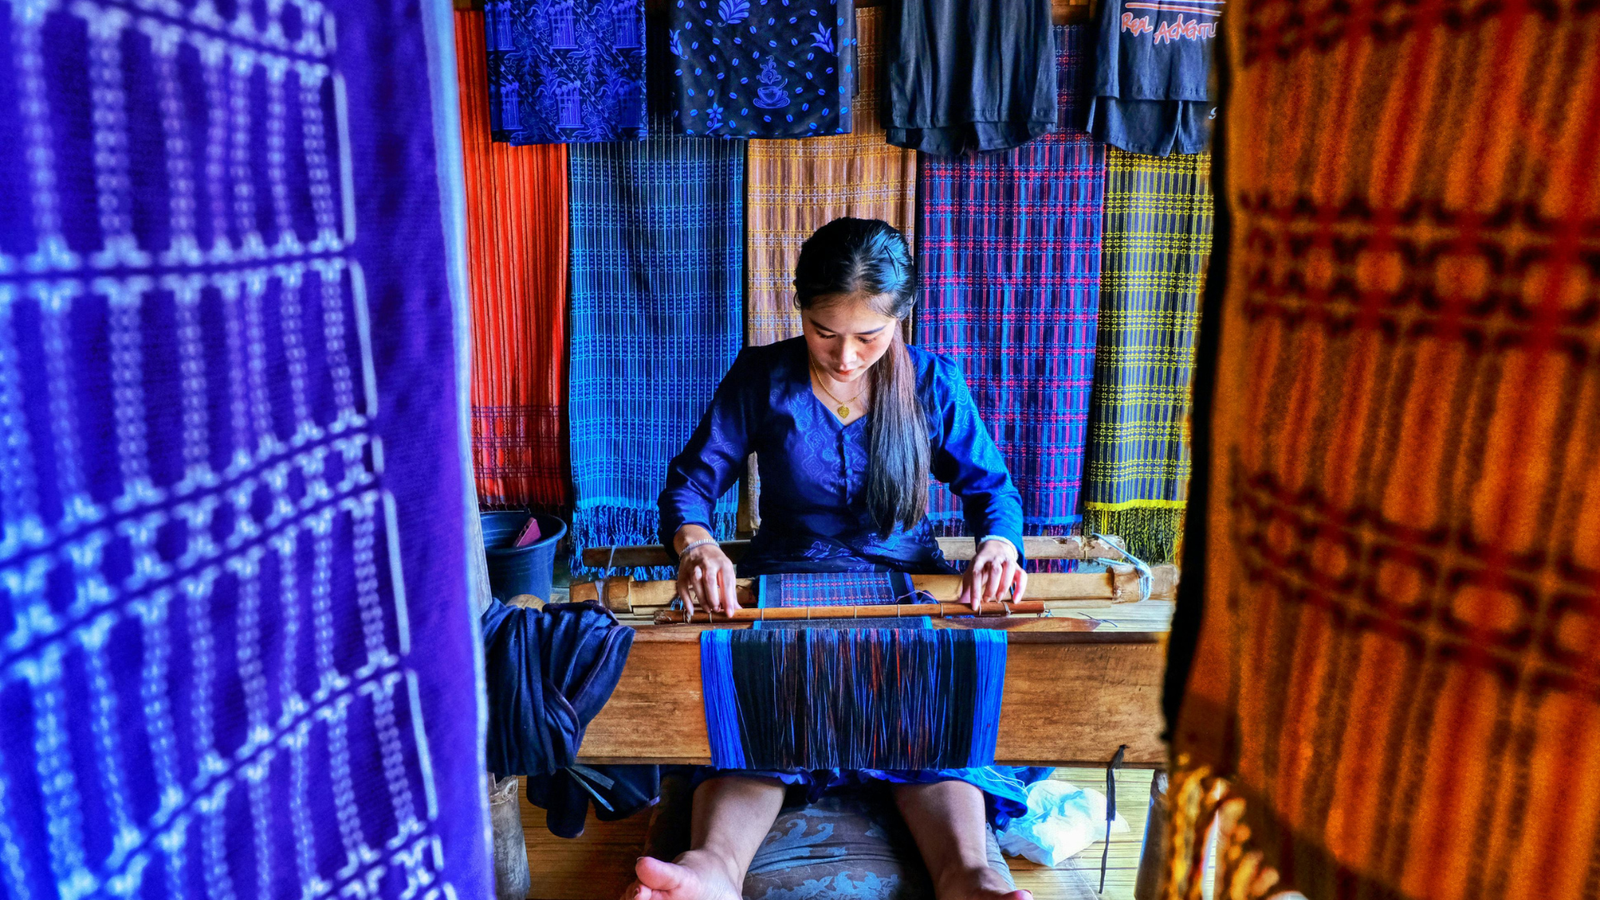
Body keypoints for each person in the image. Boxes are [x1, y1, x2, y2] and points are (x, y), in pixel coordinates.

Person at [626, 217, 1034, 900]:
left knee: (932, 706)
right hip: (787, 582)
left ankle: (969, 876)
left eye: (869, 337)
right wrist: (696, 546)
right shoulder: (763, 377)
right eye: (824, 331)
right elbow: (691, 486)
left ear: (901, 318)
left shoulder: (931, 383)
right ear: (799, 307)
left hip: (903, 584)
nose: (845, 357)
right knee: (755, 705)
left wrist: (998, 543)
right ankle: (711, 872)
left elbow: (992, 488)